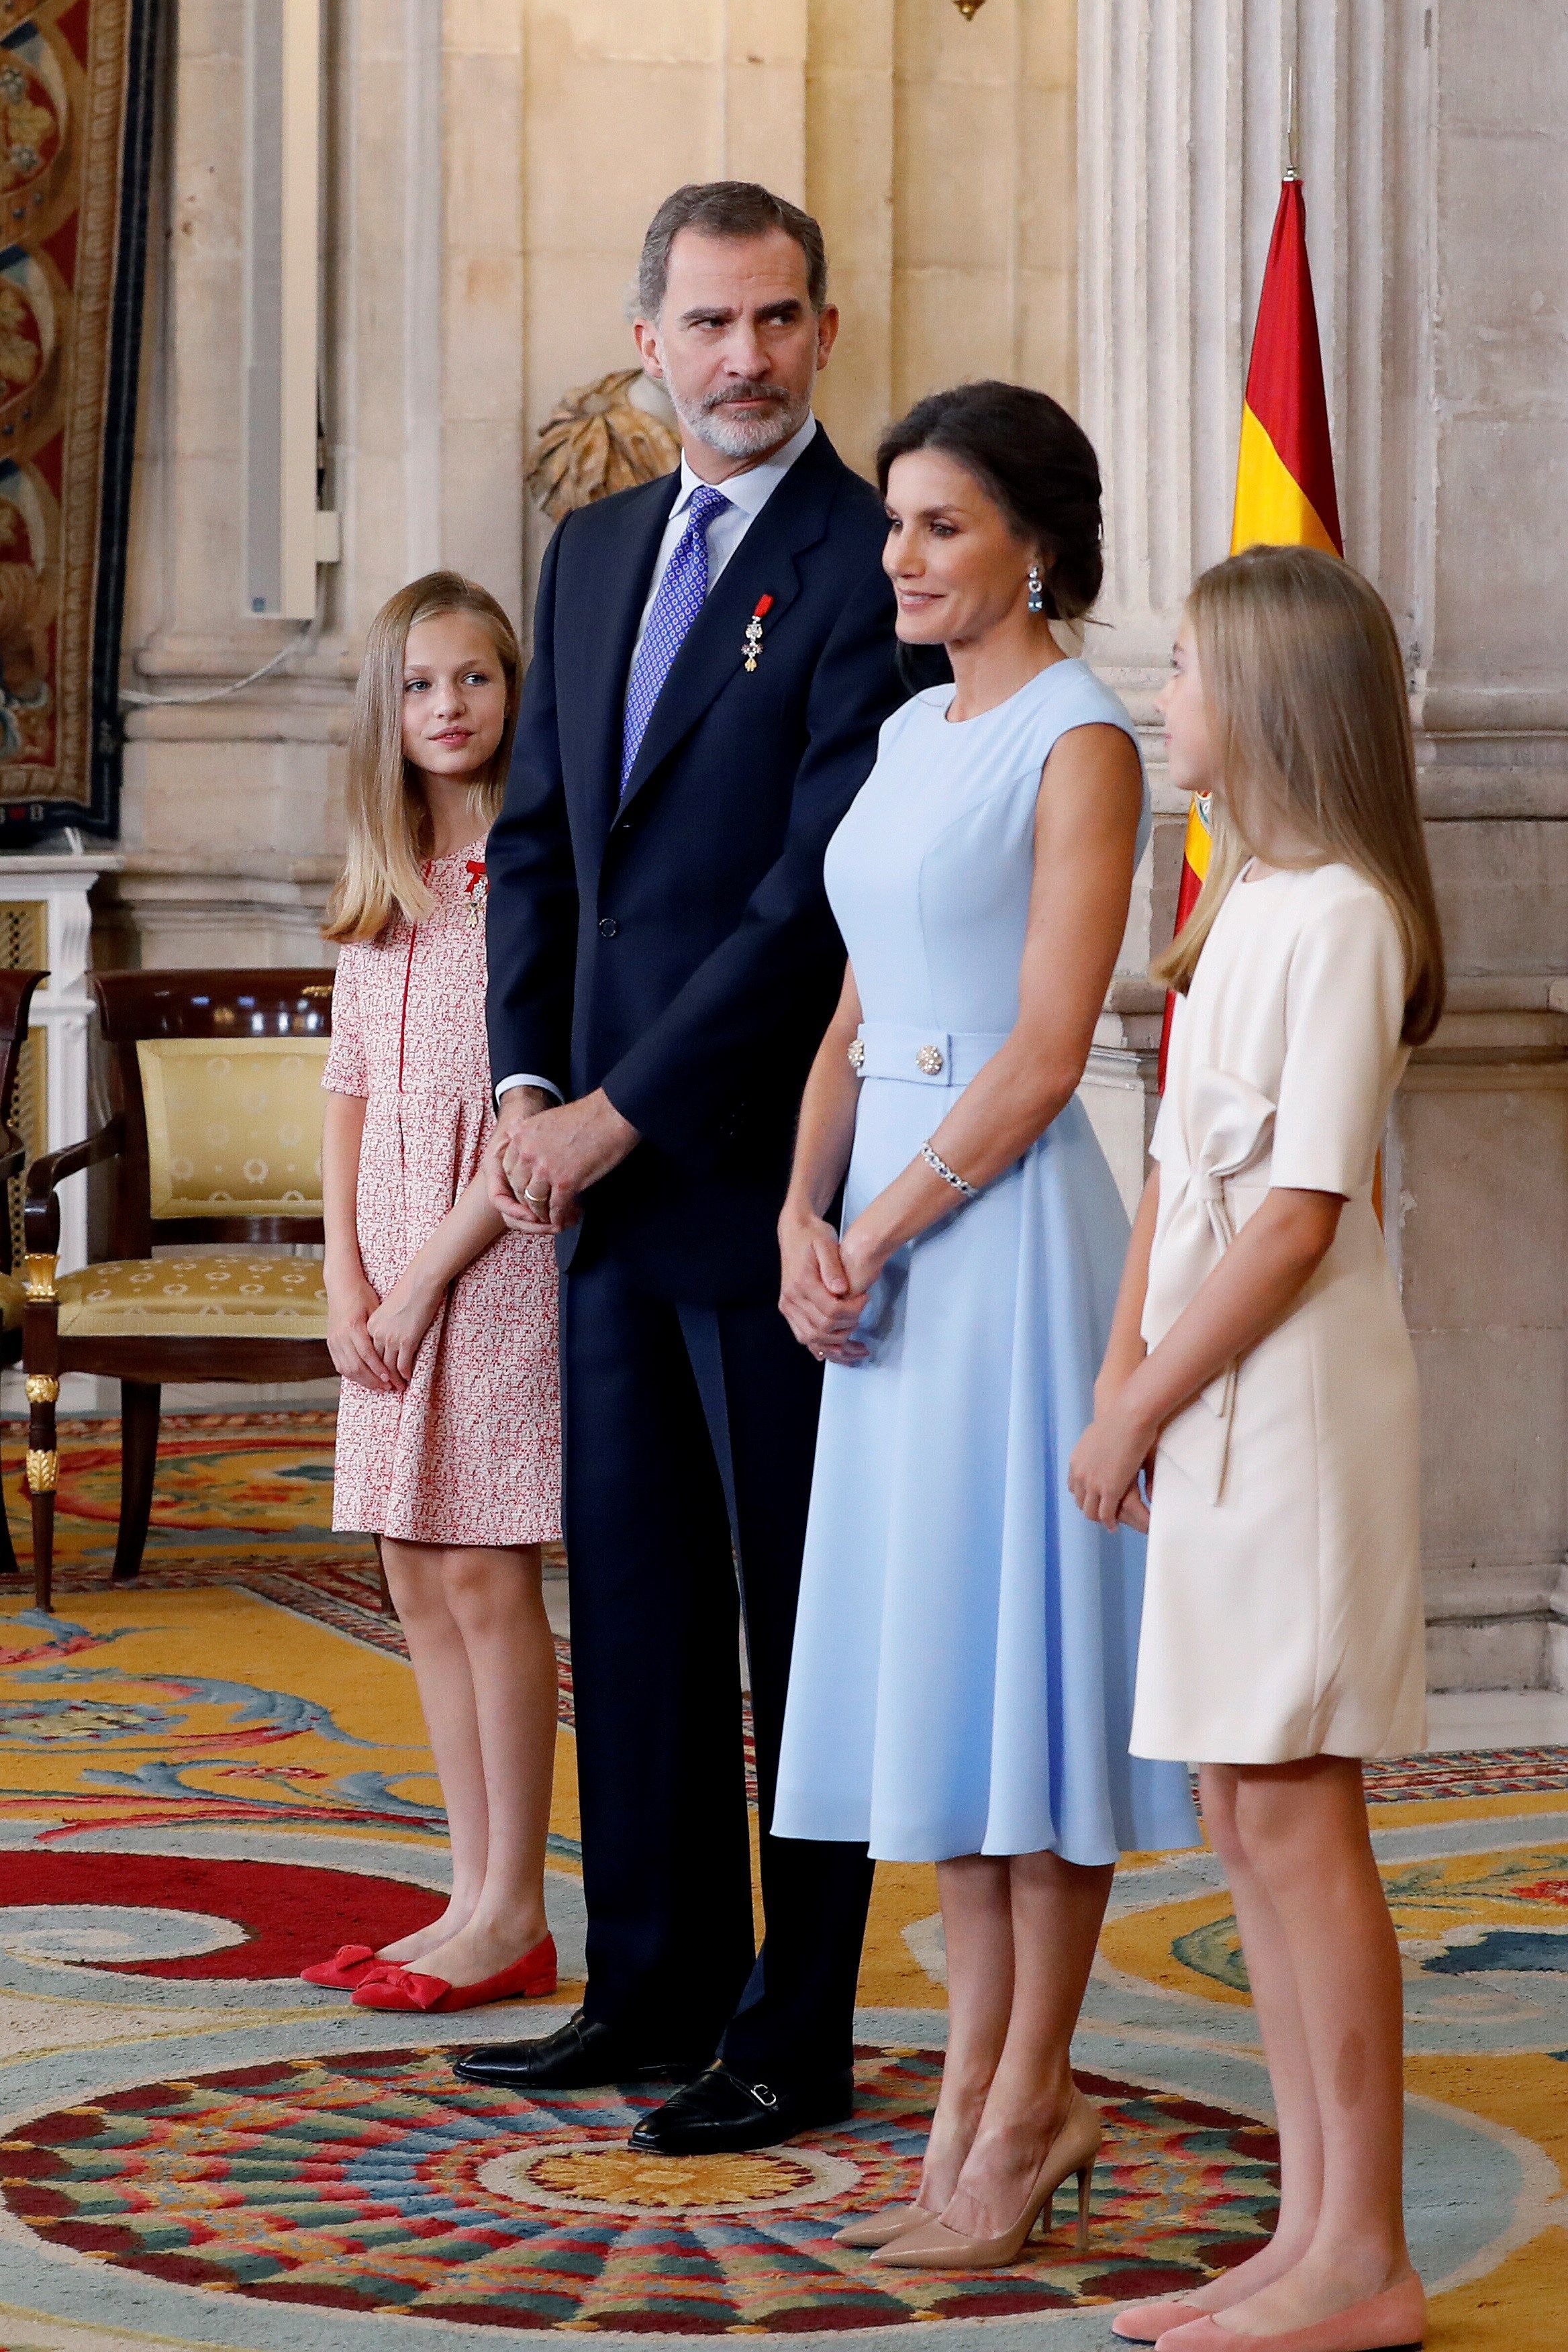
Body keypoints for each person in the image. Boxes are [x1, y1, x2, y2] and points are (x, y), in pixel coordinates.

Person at [453, 183, 930, 2154]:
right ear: (647, 338)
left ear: (824, 337)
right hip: (598, 1179)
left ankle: (790, 2027)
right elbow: (543, 846)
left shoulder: (868, 562)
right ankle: (645, 1982)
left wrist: (619, 1109)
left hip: (767, 1177)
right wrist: (523, 1076)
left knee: (795, 1620)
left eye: (779, 322)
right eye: (710, 324)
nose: (744, 360)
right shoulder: (585, 554)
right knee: (635, 1598)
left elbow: (802, 905)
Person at [773, 381, 1198, 2271]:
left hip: (1007, 1243)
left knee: (1029, 1688)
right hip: (882, 1237)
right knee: (943, 1689)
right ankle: (975, 2083)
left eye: (942, 525)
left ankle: (1029, 2100)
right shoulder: (900, 727)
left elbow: (1043, 1053)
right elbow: (860, 1014)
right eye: (896, 527)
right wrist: (801, 1213)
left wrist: (881, 1223)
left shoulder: (1084, 741)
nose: (905, 559)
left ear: (1037, 539)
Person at [1070, 545, 1442, 2352]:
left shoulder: (1350, 914)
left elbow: (1297, 1216)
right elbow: (1171, 1173)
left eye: (1190, 671)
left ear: (1271, 700)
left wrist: (1147, 1399)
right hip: (1211, 1384)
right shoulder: (1236, 901)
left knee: (1298, 1815)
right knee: (1236, 1801)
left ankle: (1363, 2255)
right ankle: (1305, 2238)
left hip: (1294, 1401)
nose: (1165, 697)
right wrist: (1122, 1367)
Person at [308, 573, 562, 2016]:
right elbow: (346, 1088)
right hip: (388, 1264)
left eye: (472, 680)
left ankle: (516, 1905)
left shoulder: (533, 868)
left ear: (512, 697)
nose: (446, 708)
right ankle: (468, 1889)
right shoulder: (385, 879)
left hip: (496, 1252)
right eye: (418, 687)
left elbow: (532, 1117)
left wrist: (420, 1282)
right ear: (385, 713)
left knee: (482, 1564)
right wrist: (347, 1271)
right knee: (411, 1566)